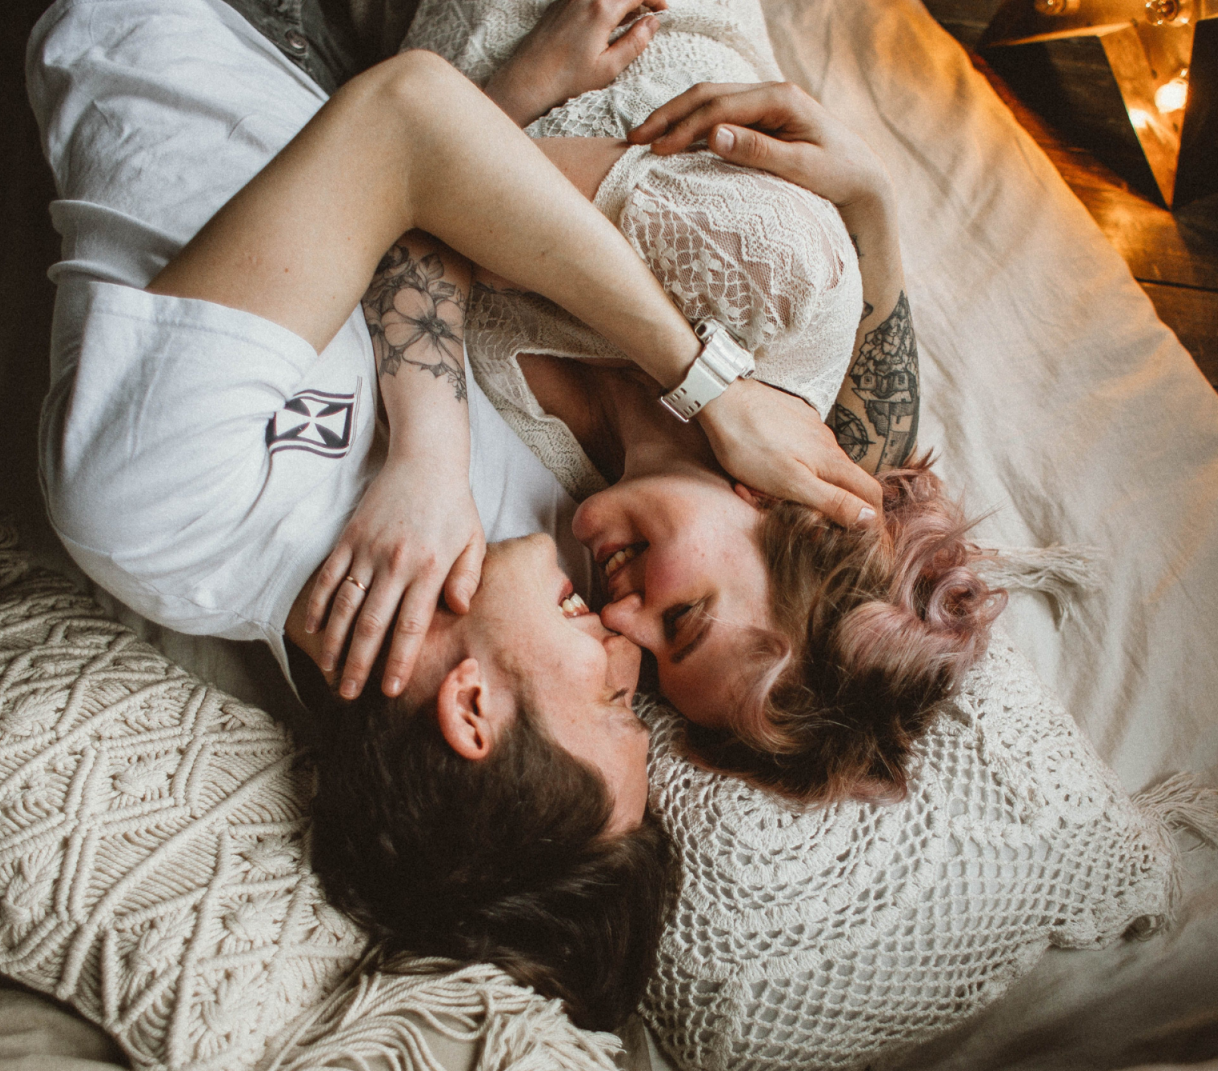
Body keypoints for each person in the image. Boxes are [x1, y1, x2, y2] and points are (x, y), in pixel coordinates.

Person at [27, 0, 875, 1028]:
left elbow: (403, 126)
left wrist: (431, 452)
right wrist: (874, 208)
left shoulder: (164, 517)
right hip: (379, 51)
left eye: (613, 702)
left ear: (472, 711)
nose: (623, 645)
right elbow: (847, 480)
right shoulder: (538, 551)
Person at [316, 0, 1006, 800]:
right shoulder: (778, 278)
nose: (619, 623)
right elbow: (423, 161)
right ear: (782, 504)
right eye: (681, 618)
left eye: (652, 655)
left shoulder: (575, 495)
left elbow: (400, 217)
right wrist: (706, 386)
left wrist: (875, 205)